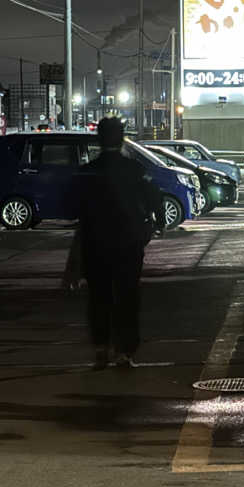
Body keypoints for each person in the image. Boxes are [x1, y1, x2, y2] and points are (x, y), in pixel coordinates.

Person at [75, 117, 164, 369]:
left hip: (95, 243)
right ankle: (125, 350)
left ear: (99, 139)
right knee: (127, 295)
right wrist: (155, 221)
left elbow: (73, 205)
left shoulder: (89, 171)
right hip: (128, 242)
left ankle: (101, 347)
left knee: (99, 296)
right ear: (122, 137)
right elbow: (154, 196)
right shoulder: (134, 170)